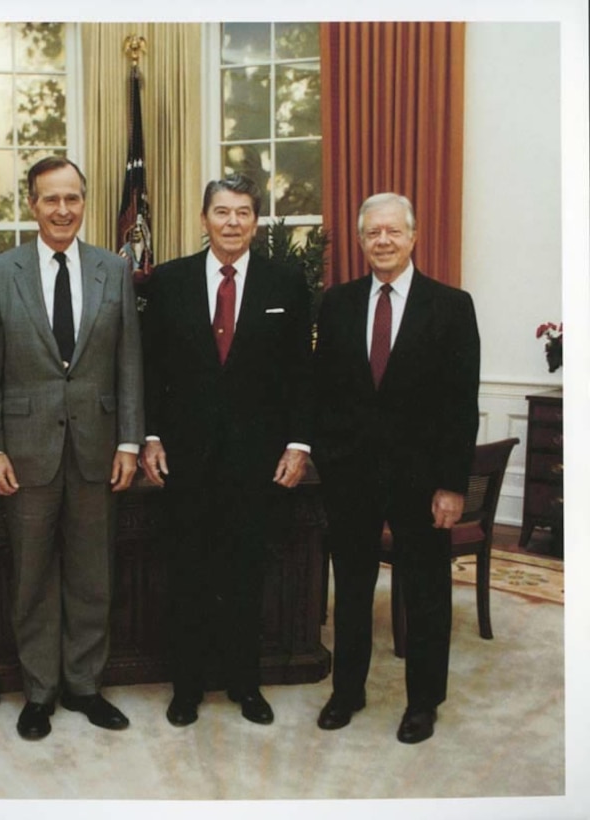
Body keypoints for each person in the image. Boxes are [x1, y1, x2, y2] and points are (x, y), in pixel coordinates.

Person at [0, 156, 144, 740]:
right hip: (25, 452)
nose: (63, 209)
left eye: (73, 198)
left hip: (99, 448)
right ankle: (39, 692)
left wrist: (128, 439)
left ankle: (85, 686)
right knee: (32, 576)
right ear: (32, 203)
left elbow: (128, 363)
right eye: (52, 199)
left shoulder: (112, 268)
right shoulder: (0, 273)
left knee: (92, 571)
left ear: (84, 202)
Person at [141, 174, 313, 728]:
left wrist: (298, 442)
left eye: (243, 212)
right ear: (203, 218)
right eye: (222, 212)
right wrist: (149, 435)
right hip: (186, 459)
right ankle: (186, 687)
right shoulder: (167, 282)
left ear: (256, 221)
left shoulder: (286, 283)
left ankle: (246, 683)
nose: (232, 222)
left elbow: (300, 376)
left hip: (255, 461)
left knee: (245, 576)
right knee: (187, 575)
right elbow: (149, 368)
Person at [312, 192, 480, 744]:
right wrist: (329, 462)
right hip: (351, 479)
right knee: (353, 589)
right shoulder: (336, 304)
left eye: (392, 232)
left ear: (413, 237)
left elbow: (460, 405)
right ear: (361, 241)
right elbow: (325, 393)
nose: (382, 241)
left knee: (427, 592)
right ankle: (348, 691)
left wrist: (452, 485)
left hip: (422, 482)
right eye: (371, 233)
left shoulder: (452, 306)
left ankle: (423, 703)